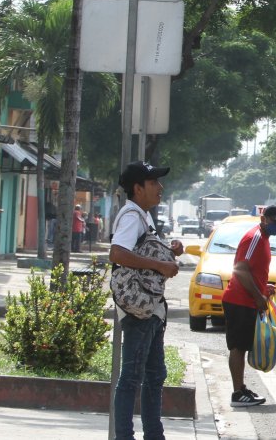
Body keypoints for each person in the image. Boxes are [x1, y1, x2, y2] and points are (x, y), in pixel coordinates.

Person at [110, 160, 184, 440]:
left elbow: (145, 251)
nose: (160, 187)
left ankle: (154, 435)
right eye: (153, 183)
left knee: (155, 376)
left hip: (151, 309)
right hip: (139, 310)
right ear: (138, 188)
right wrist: (160, 266)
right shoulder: (131, 216)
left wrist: (170, 251)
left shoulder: (143, 215)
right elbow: (117, 253)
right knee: (131, 378)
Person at [221, 205, 276, 407]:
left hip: (247, 299)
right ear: (263, 219)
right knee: (238, 347)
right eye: (274, 221)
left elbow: (251, 270)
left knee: (242, 346)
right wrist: (258, 296)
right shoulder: (255, 238)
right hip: (239, 300)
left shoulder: (264, 239)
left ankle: (241, 389)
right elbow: (240, 269)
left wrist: (262, 287)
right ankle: (237, 393)